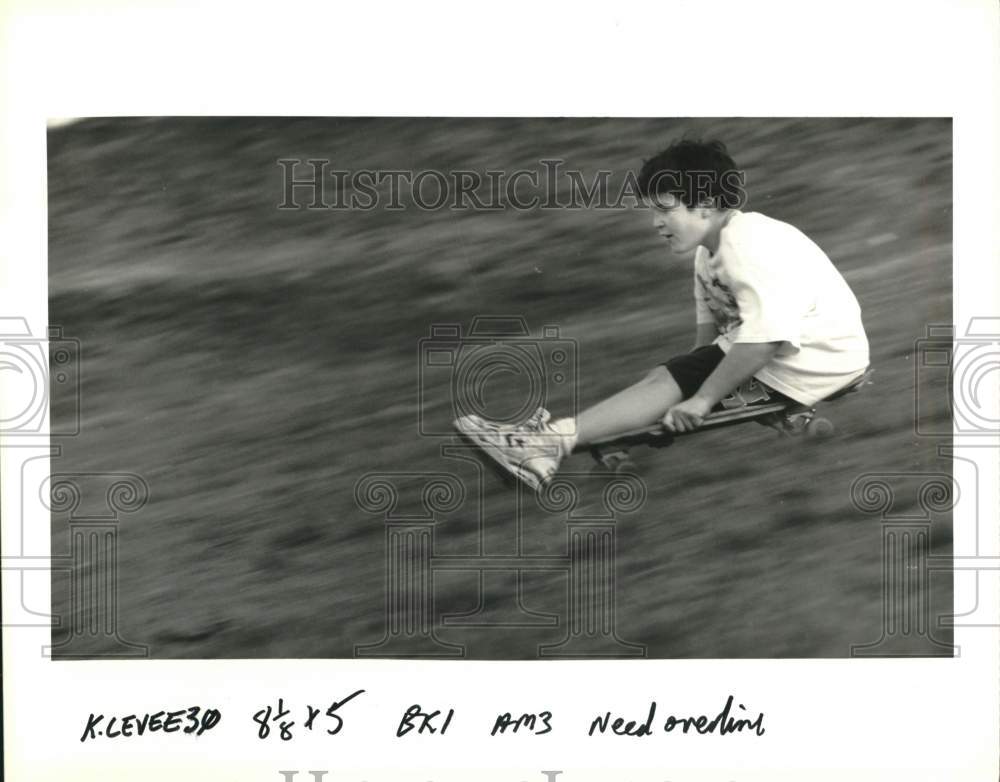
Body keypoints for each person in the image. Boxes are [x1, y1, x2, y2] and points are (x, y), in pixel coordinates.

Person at [454, 139, 870, 491]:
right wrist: (686, 391)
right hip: (798, 354)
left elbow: (767, 337)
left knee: (674, 379)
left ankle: (545, 447)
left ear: (705, 205)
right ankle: (549, 443)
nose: (655, 223)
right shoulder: (709, 255)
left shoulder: (747, 245)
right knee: (672, 377)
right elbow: (705, 346)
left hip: (819, 354)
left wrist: (703, 398)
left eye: (665, 210)